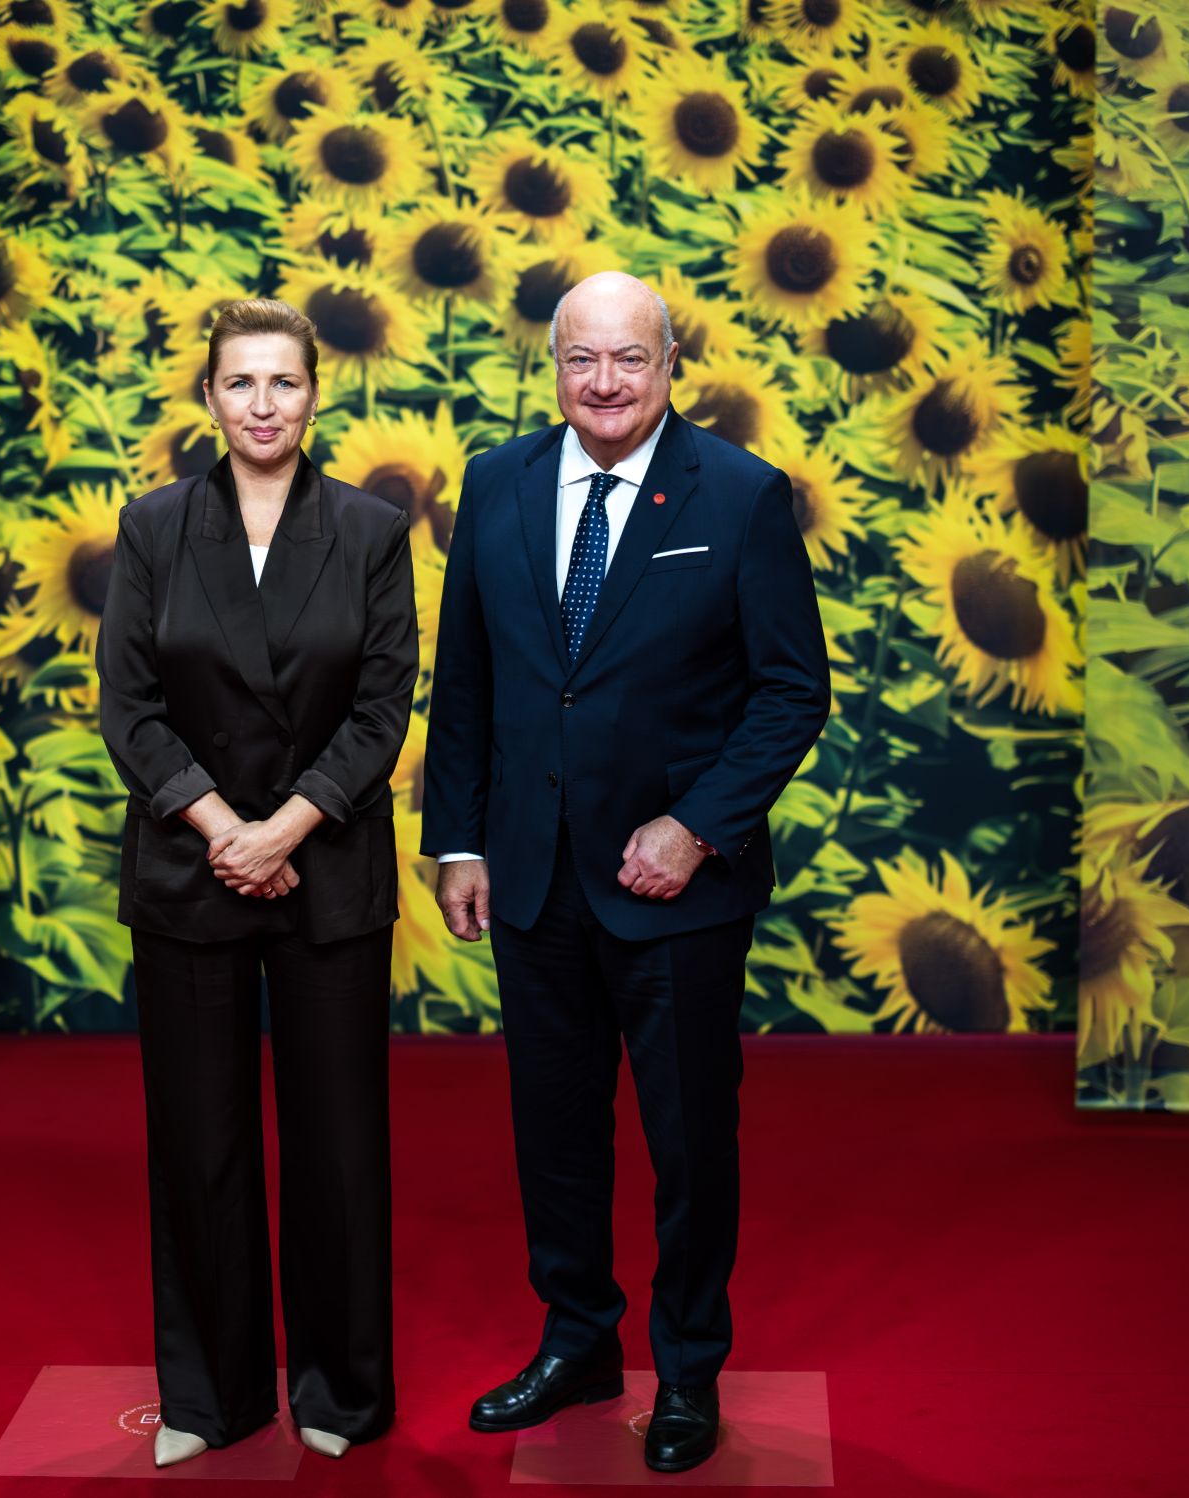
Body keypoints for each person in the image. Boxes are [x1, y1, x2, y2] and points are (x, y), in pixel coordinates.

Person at [420, 271, 829, 1474]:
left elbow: (789, 689)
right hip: (531, 879)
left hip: (676, 893)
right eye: (581, 360)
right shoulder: (493, 483)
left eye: (629, 361)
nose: (604, 384)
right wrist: (459, 840)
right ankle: (578, 1341)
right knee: (552, 1131)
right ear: (552, 365)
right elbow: (469, 685)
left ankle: (687, 1369)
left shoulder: (741, 496)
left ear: (669, 365)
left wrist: (695, 826)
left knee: (689, 1140)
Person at [97, 297, 417, 1467]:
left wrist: (281, 828)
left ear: (314, 396)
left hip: (324, 868)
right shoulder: (152, 527)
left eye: (284, 383)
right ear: (209, 398)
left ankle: (340, 1392)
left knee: (336, 1146)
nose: (263, 404)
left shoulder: (373, 531)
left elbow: (383, 706)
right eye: (241, 383)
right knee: (200, 1141)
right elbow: (125, 705)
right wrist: (222, 825)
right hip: (191, 867)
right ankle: (211, 1396)